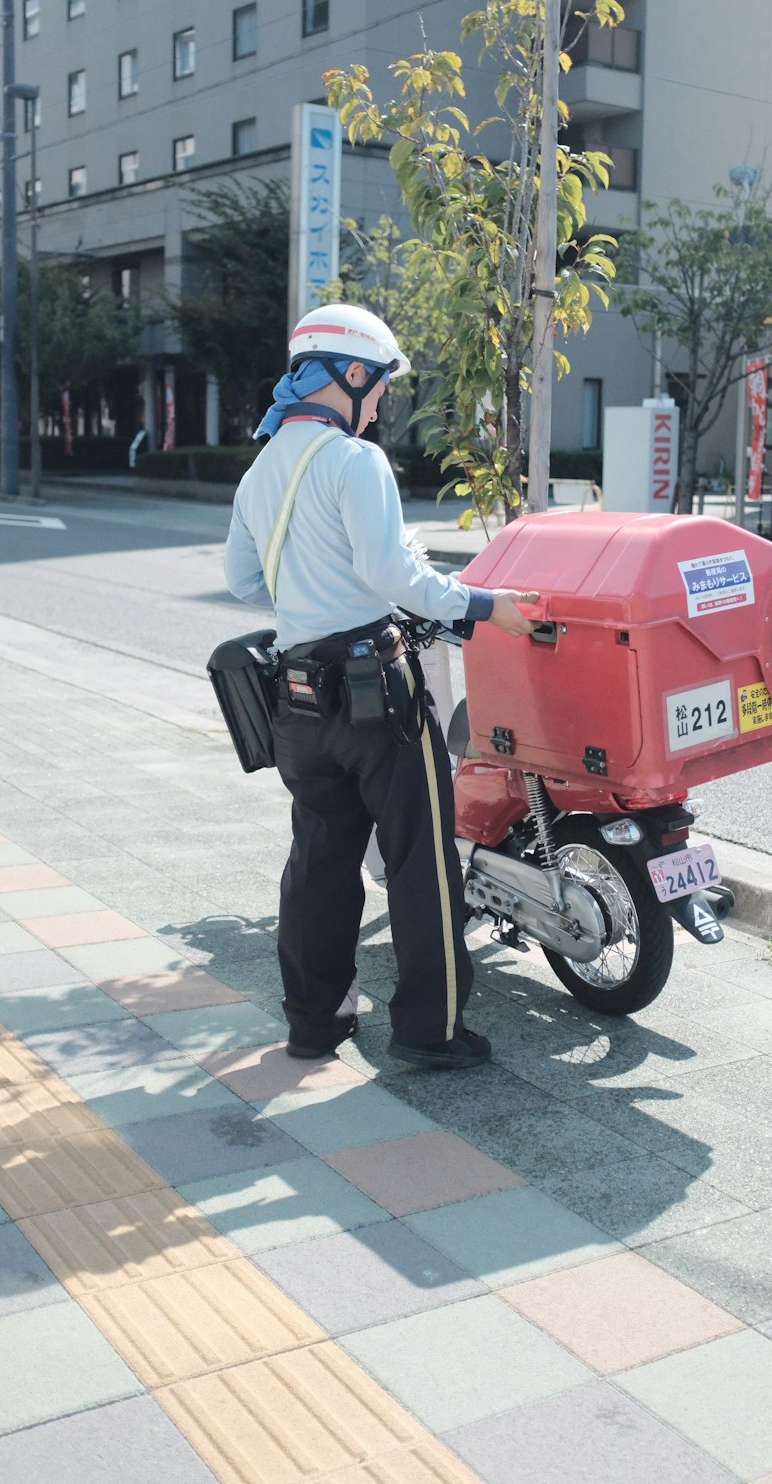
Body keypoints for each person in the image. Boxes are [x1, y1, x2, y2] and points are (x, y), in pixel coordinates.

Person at [223, 303, 538, 1070]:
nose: (379, 406)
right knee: (420, 860)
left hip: (297, 702)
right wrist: (490, 606)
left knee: (319, 860)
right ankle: (431, 1032)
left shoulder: (262, 468)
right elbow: (392, 577)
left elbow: (240, 581)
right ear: (352, 374)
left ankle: (315, 1023)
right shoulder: (353, 462)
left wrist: (305, 576)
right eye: (379, 388)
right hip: (375, 695)